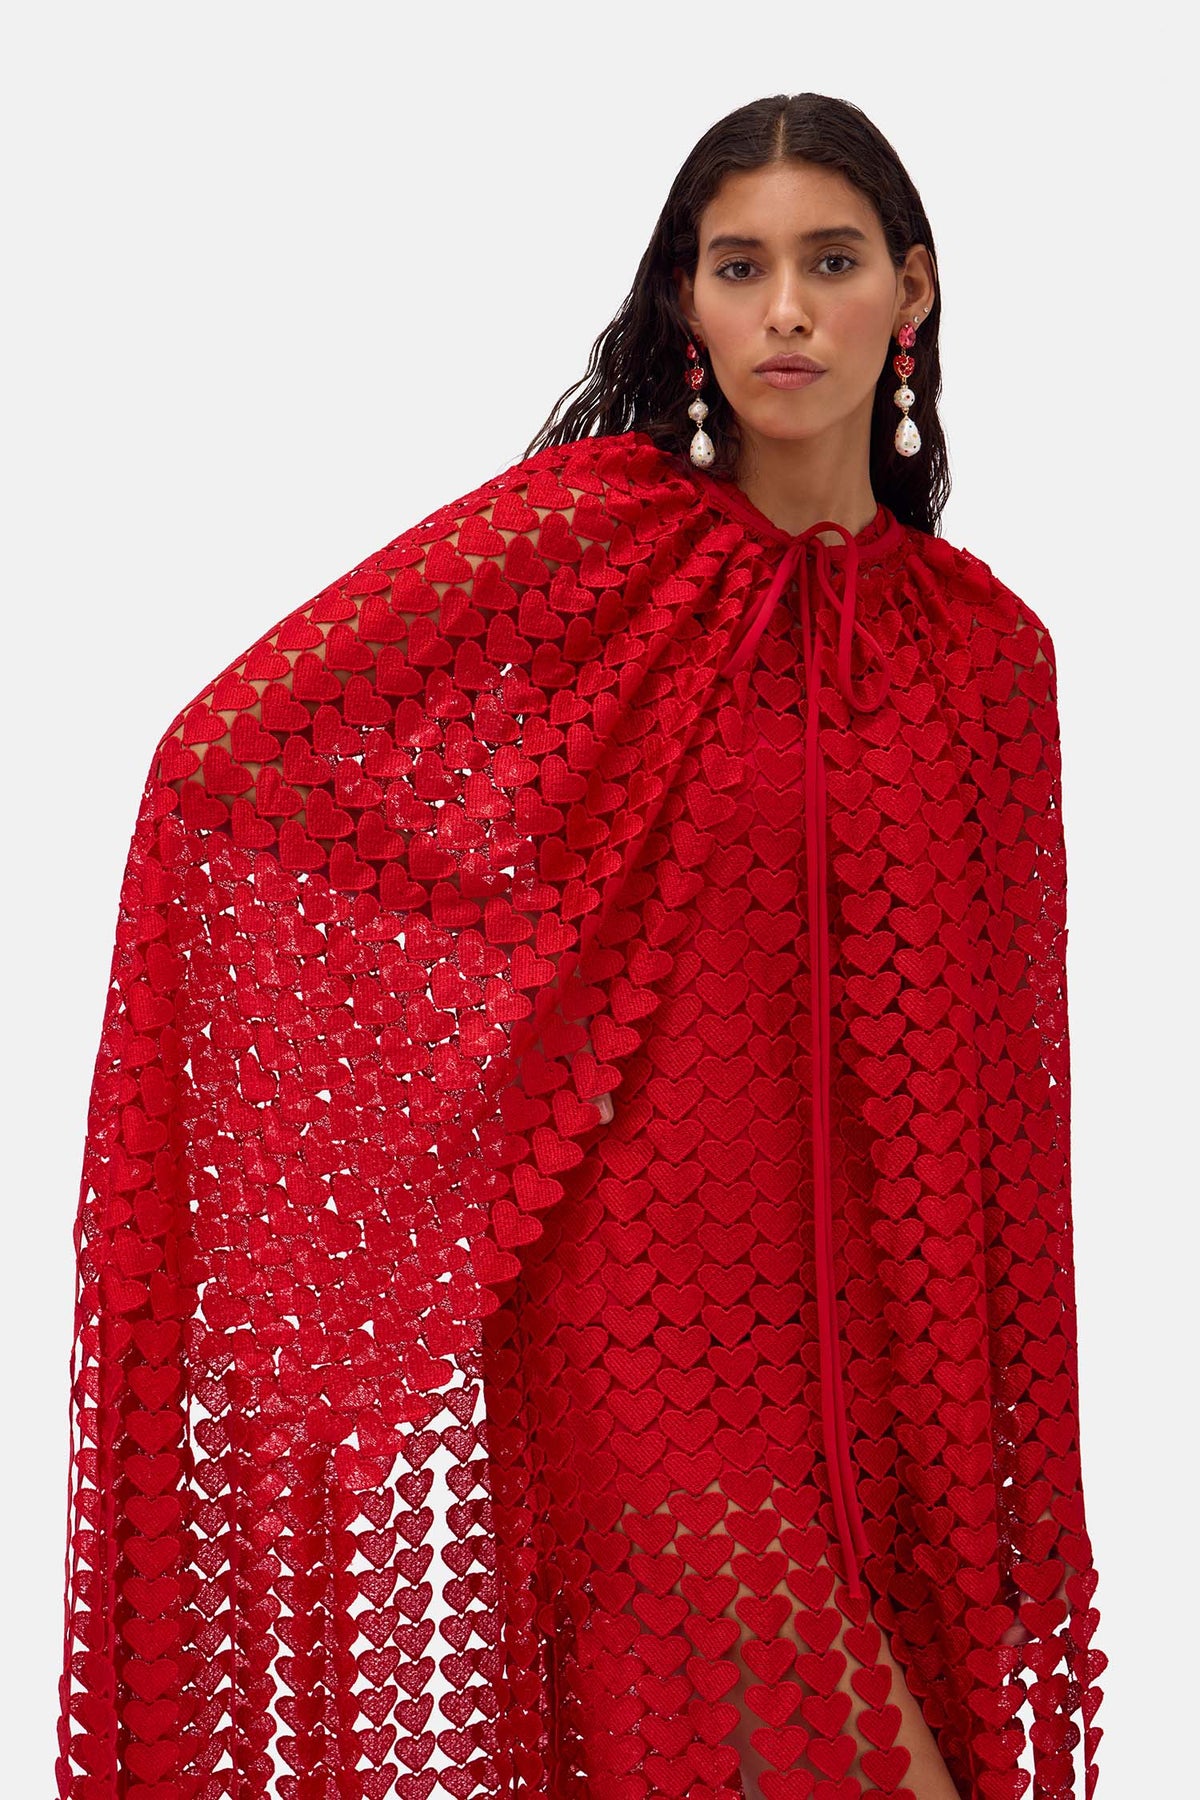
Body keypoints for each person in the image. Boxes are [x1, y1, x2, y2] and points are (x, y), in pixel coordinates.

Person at [55, 92, 1107, 1800]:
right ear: (685, 300)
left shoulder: (991, 654)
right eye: (739, 266)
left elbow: (1001, 1089)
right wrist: (518, 996)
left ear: (912, 291)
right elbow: (230, 758)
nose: (785, 311)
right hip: (647, 1310)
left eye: (831, 263)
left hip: (889, 1335)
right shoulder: (601, 546)